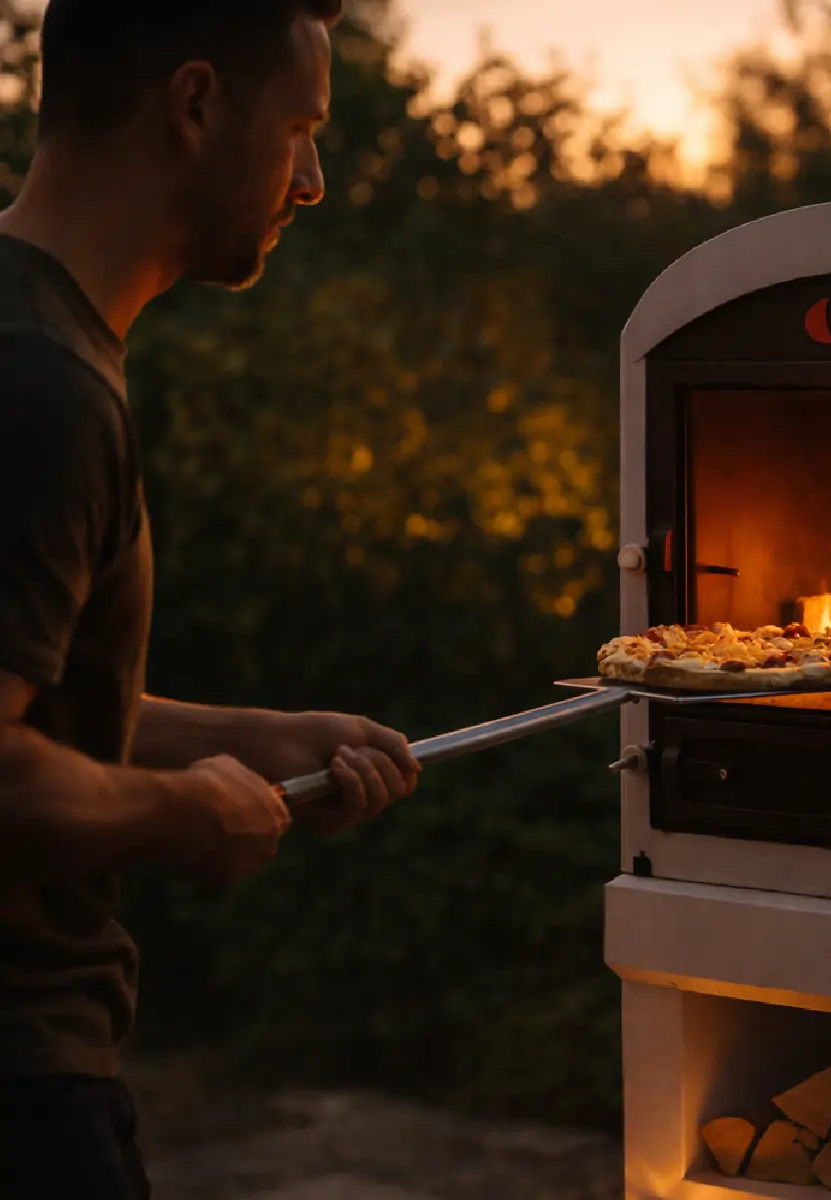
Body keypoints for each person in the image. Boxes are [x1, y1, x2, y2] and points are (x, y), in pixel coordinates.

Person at [0, 1, 420, 1195]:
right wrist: (184, 816)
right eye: (300, 130)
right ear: (193, 106)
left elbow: (40, 704)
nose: (316, 180)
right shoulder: (42, 389)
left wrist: (253, 737)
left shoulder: (28, 333)